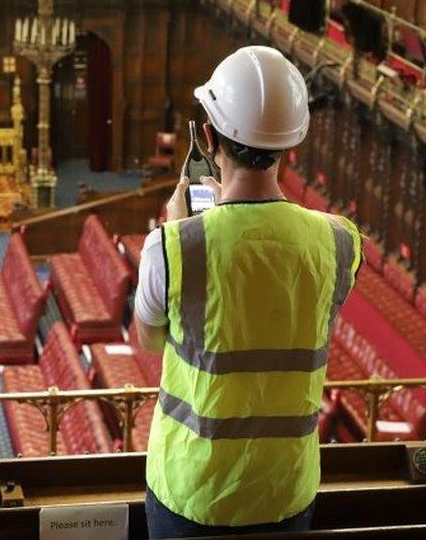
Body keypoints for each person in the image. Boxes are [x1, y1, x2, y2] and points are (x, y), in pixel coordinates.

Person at [135, 45, 363, 538]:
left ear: (210, 137)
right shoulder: (340, 242)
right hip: (285, 490)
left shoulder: (172, 248)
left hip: (192, 494)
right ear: (289, 146)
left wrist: (181, 228)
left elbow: (150, 341)